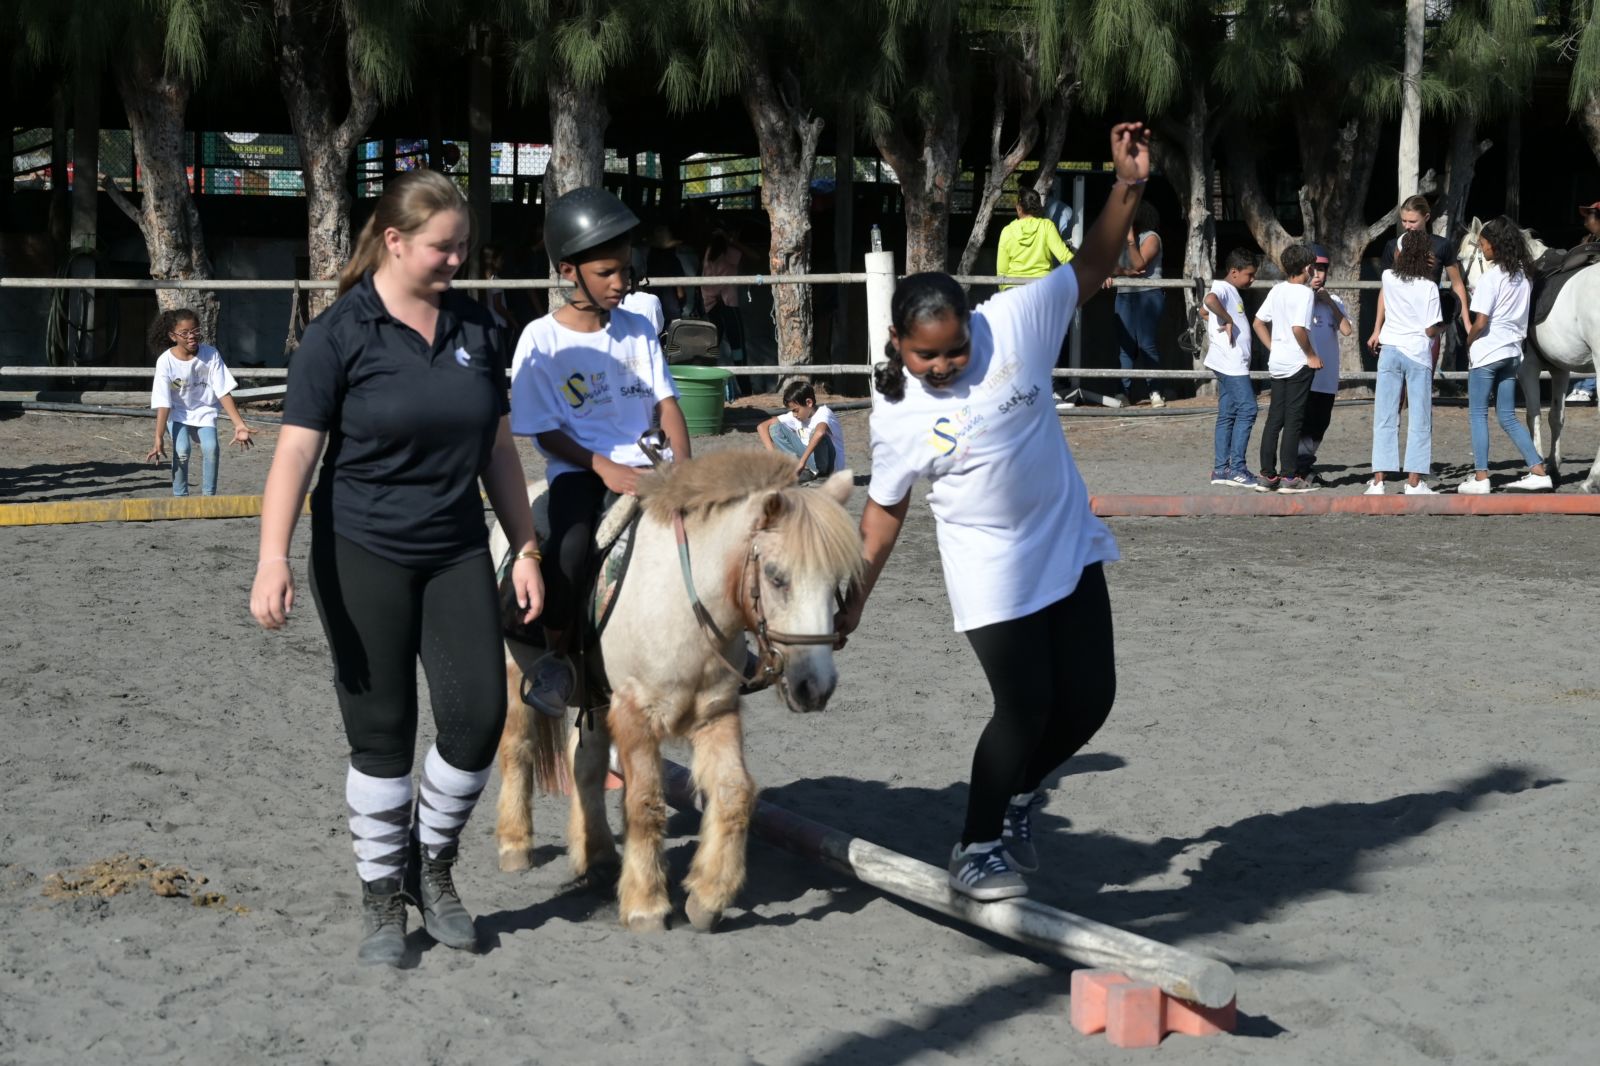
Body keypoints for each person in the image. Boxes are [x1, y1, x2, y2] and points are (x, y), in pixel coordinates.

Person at [836, 121, 1149, 902]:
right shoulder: (900, 417)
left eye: (953, 351)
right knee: (1026, 702)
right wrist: (852, 604)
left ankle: (1015, 801)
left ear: (973, 326)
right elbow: (883, 518)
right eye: (925, 356)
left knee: (1092, 698)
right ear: (898, 344)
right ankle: (975, 847)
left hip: (1067, 542)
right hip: (990, 570)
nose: (943, 366)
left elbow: (1094, 264)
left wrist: (1128, 185)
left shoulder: (1016, 322)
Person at [249, 169, 544, 967]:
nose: (457, 261)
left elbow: (497, 452)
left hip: (454, 550)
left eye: (464, 249)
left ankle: (432, 866)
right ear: (394, 241)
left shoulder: (479, 330)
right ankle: (384, 896)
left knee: (479, 719)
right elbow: (296, 456)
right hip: (360, 555)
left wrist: (523, 546)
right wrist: (272, 556)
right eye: (444, 249)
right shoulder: (339, 333)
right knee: (382, 738)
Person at [511, 187, 692, 713]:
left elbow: (669, 404)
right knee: (568, 549)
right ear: (569, 272)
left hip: (653, 466)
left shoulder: (638, 328)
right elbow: (543, 432)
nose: (621, 283)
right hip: (582, 469)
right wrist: (604, 467)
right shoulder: (541, 341)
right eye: (607, 273)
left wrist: (684, 468)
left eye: (625, 270)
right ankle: (555, 660)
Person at [1458, 216, 1551, 494]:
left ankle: (1481, 477)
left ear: (1495, 246)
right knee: (1507, 415)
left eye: (1484, 243)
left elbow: (1481, 321)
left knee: (1477, 414)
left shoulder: (1490, 279)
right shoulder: (1524, 277)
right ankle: (1537, 469)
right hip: (1512, 353)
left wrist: (1469, 339)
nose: (1483, 248)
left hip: (1488, 352)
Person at [145, 309, 254, 495]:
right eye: (185, 333)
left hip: (205, 411)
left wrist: (239, 424)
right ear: (173, 336)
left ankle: (209, 498)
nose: (192, 337)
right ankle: (180, 496)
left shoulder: (210, 355)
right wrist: (158, 437)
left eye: (195, 331)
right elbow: (164, 401)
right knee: (182, 451)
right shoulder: (165, 362)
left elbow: (223, 391)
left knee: (211, 448)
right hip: (178, 412)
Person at [1366, 231, 1443, 495]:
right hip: (1417, 353)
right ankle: (1413, 481)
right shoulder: (1429, 286)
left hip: (1390, 349)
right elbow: (1431, 328)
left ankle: (1378, 481)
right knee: (1420, 417)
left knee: (1385, 415)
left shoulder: (1388, 277)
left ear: (1399, 254)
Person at [1367, 194, 1471, 375]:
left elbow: (1457, 284)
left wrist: (1467, 323)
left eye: (1412, 221)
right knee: (1396, 389)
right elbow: (1386, 290)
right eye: (1404, 221)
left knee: (1422, 381)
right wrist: (1377, 329)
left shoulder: (1441, 245)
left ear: (1426, 217)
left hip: (1428, 324)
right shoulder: (1394, 246)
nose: (1407, 226)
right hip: (1398, 326)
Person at [1251, 244, 1320, 493]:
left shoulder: (1277, 290)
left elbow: (1258, 323)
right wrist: (1311, 355)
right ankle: (1289, 477)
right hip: (1297, 363)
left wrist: (1273, 348)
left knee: (1274, 420)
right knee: (1293, 421)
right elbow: (1298, 329)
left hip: (1278, 362)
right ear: (1306, 268)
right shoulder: (1304, 294)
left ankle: (1267, 475)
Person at [1202, 249, 1259, 489]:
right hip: (1231, 364)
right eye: (1250, 274)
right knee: (1248, 408)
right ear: (1234, 272)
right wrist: (1226, 319)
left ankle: (1220, 469)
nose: (1253, 279)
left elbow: (1204, 311)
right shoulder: (1223, 289)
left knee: (1227, 414)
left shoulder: (1230, 290)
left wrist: (1216, 319)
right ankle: (1236, 469)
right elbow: (1209, 302)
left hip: (1229, 362)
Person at [1297, 244, 1354, 483]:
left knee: (1320, 423)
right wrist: (1309, 295)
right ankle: (1298, 468)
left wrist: (1328, 302)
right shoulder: (1296, 297)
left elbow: (1347, 330)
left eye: (1322, 269)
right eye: (1314, 269)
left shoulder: (1334, 300)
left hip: (1327, 378)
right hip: (1302, 375)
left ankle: (1304, 464)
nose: (1318, 275)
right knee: (1301, 423)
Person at [1112, 201, 1166, 407]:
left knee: (1146, 344)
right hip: (1124, 294)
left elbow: (1139, 263)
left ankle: (1155, 391)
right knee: (1126, 346)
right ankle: (1122, 393)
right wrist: (1123, 272)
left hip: (1148, 295)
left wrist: (1130, 242)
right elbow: (1110, 266)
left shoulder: (1151, 238)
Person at [757, 380, 844, 481]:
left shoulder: (824, 412)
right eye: (792, 411)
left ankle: (822, 476)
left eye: (796, 410)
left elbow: (820, 433)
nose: (794, 414)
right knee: (775, 428)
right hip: (810, 463)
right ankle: (804, 471)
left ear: (809, 402)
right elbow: (762, 426)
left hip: (831, 468)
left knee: (818, 435)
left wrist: (802, 462)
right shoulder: (795, 416)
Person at [996, 188, 1072, 289]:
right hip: (1042, 287)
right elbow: (1064, 256)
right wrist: (1090, 272)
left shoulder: (1007, 231)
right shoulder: (1046, 226)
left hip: (1013, 289)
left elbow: (1002, 270)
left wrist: (1005, 292)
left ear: (1019, 208)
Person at [1563, 201, 1600, 404]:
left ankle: (1585, 387)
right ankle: (1580, 385)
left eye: (1589, 216)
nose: (1586, 222)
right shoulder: (1588, 241)